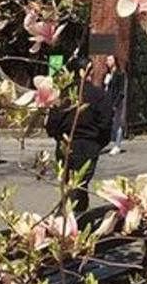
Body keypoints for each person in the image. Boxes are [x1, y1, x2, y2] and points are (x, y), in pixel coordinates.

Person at [45, 56, 113, 214]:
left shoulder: (62, 94)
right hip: (88, 144)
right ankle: (69, 215)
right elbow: (106, 122)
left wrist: (58, 136)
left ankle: (75, 213)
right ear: (88, 72)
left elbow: (52, 122)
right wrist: (99, 143)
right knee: (79, 183)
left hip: (65, 143)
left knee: (69, 183)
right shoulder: (98, 94)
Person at [103, 54, 127, 156]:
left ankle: (117, 145)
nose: (107, 62)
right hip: (107, 100)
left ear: (115, 61)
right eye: (107, 60)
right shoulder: (107, 74)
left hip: (116, 102)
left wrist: (115, 104)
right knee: (108, 123)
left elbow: (121, 92)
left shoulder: (120, 74)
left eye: (110, 60)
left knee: (117, 123)